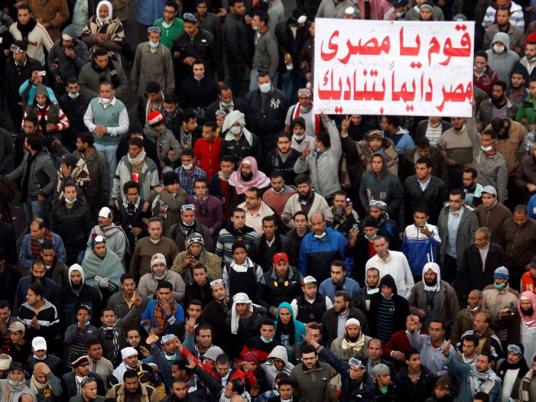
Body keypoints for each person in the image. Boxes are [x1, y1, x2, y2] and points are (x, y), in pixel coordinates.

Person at [83, 80, 129, 186]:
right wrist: (95, 128)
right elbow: (87, 118)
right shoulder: (93, 102)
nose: (104, 94)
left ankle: (111, 200)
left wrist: (107, 130)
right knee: (96, 172)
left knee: (112, 174)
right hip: (96, 143)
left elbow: (125, 127)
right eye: (102, 91)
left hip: (113, 145)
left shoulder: (120, 106)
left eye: (107, 91)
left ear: (113, 92)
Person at [6, 135, 56, 223]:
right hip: (26, 195)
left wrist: (44, 193)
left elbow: (54, 179)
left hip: (37, 197)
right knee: (30, 223)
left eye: (26, 141)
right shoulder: (28, 154)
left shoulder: (46, 160)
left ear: (30, 145)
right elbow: (20, 169)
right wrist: (5, 178)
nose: (24, 143)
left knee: (38, 223)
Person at [294, 114, 342, 200]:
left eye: (315, 140)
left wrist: (328, 121)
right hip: (316, 197)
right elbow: (297, 170)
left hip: (333, 195)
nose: (314, 142)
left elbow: (335, 137)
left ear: (320, 142)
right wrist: (303, 157)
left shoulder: (333, 153)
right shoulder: (310, 155)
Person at [437, 189, 479, 284]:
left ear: (462, 201)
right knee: (445, 282)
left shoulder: (471, 216)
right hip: (447, 254)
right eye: (451, 200)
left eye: (456, 201)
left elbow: (474, 238)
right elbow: (440, 231)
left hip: (463, 256)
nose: (452, 203)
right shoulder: (444, 212)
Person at [299, 212, 350, 282]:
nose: (317, 227)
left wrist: (346, 279)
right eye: (314, 224)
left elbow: (347, 259)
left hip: (336, 283)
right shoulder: (306, 240)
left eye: (319, 223)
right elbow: (303, 264)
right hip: (314, 285)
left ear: (324, 222)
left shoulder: (338, 238)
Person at [409, 262, 460, 331]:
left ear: (437, 274)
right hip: (421, 330)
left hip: (442, 331)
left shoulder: (447, 289)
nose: (428, 277)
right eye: (426, 274)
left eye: (432, 274)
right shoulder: (417, 287)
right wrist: (417, 311)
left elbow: (455, 314)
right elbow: (409, 306)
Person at [460, 227, 505, 296]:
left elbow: (501, 270)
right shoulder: (469, 251)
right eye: (476, 239)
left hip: (492, 288)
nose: (476, 242)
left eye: (480, 240)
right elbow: (464, 271)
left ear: (487, 239)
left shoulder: (498, 251)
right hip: (473, 287)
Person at [132, 26, 174, 98]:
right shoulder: (141, 48)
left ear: (160, 37)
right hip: (143, 87)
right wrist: (134, 85)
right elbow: (136, 67)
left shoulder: (165, 51)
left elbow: (169, 71)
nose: (154, 40)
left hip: (159, 87)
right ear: (148, 36)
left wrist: (170, 89)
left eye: (157, 37)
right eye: (152, 37)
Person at [499, 205, 536, 288]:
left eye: (522, 219)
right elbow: (501, 243)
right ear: (513, 216)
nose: (519, 222)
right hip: (508, 265)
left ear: (527, 216)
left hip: (524, 266)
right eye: (517, 219)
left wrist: (532, 263)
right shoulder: (507, 224)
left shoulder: (534, 226)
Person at [81, 235, 122, 299]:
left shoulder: (113, 257)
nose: (102, 250)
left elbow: (120, 277)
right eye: (98, 248)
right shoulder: (87, 261)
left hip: (113, 294)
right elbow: (85, 281)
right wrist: (98, 284)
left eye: (103, 247)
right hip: (94, 295)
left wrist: (110, 282)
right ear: (93, 249)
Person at [223, 0, 249, 96]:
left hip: (237, 62)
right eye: (239, 7)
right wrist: (240, 61)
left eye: (242, 6)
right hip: (235, 63)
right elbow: (232, 45)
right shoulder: (231, 23)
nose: (243, 8)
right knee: (236, 88)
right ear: (232, 8)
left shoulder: (238, 19)